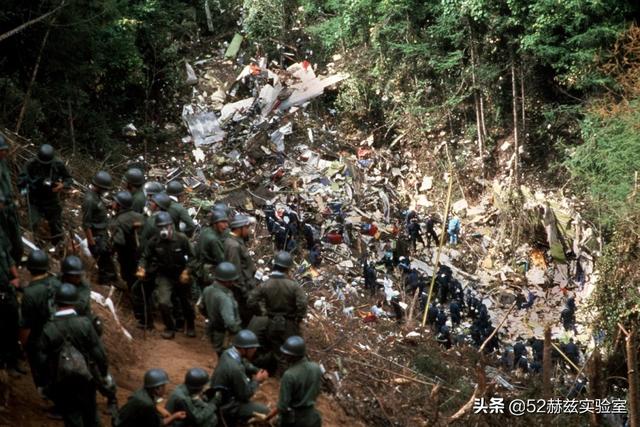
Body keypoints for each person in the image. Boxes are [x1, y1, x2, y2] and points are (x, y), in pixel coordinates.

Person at [40, 283, 111, 427]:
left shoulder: (49, 328)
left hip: (61, 381)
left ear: (56, 302)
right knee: (91, 414)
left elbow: (43, 359)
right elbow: (99, 353)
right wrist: (103, 375)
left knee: (71, 416)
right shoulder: (85, 324)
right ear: (74, 302)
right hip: (86, 378)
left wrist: (45, 384)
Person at [137, 211, 195, 339]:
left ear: (171, 226)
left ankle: (190, 324)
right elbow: (145, 257)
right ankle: (170, 327)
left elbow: (193, 257)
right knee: (163, 302)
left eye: (166, 226)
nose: (163, 229)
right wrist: (141, 268)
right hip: (164, 275)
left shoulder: (181, 239)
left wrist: (187, 271)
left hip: (181, 274)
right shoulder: (155, 242)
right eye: (160, 227)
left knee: (186, 302)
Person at [247, 251, 307, 373]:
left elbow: (251, 300)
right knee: (293, 352)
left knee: (276, 350)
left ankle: (276, 372)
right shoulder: (293, 286)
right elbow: (302, 303)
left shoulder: (266, 284)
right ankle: (289, 375)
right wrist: (297, 318)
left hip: (271, 323)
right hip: (289, 323)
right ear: (288, 268)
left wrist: (263, 312)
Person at [210, 330, 269, 425]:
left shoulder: (228, 353)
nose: (255, 350)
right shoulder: (236, 369)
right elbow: (245, 394)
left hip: (219, 396)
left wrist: (256, 370)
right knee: (264, 410)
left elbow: (244, 363)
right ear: (243, 349)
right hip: (227, 406)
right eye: (252, 348)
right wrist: (257, 380)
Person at [19, 144, 73, 247]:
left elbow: (69, 179)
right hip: (34, 200)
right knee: (32, 224)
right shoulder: (31, 164)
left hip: (51, 200)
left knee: (56, 225)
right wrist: (24, 193)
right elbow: (21, 182)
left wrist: (62, 185)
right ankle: (29, 247)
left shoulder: (58, 164)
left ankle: (58, 247)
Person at [20, 250, 59, 388]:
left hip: (41, 339)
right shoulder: (57, 283)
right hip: (61, 332)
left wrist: (23, 348)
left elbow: (26, 327)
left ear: (29, 268)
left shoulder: (29, 294)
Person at [265, 336, 322, 427]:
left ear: (293, 357)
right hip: (312, 418)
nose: (284, 356)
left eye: (286, 354)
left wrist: (268, 418)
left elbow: (283, 406)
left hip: (295, 420)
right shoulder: (316, 368)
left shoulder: (289, 375)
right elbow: (317, 390)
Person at [116, 368, 187, 427]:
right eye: (163, 386)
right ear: (157, 389)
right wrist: (175, 416)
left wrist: (159, 409)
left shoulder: (142, 391)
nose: (165, 388)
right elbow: (158, 424)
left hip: (120, 420)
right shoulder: (147, 404)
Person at [83, 171, 117, 283]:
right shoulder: (89, 200)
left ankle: (110, 278)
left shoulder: (96, 196)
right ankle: (104, 282)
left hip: (102, 233)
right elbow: (86, 224)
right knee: (103, 261)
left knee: (106, 258)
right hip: (96, 236)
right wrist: (92, 243)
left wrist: (107, 206)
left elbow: (97, 209)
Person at [201, 262, 242, 356]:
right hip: (224, 335)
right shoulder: (225, 298)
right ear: (228, 281)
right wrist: (239, 332)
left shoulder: (207, 289)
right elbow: (230, 323)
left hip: (213, 329)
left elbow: (201, 307)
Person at [224, 214, 257, 326]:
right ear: (239, 228)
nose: (248, 230)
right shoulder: (234, 245)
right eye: (246, 228)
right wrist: (245, 292)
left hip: (245, 286)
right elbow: (236, 271)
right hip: (242, 290)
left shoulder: (237, 241)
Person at [110, 190, 144, 290]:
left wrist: (111, 250)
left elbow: (119, 241)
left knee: (129, 277)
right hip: (142, 252)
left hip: (128, 254)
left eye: (114, 202)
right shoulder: (138, 216)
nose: (112, 204)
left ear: (119, 205)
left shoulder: (118, 220)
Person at [0, 220, 22, 376]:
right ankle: (5, 363)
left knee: (13, 324)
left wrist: (15, 276)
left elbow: (7, 256)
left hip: (8, 288)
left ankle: (14, 360)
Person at [0, 137, 23, 262]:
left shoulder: (3, 163)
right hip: (2, 209)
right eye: (2, 150)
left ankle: (15, 264)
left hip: (9, 207)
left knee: (16, 242)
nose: (5, 153)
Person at [196, 209, 229, 288]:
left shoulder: (205, 231)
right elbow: (221, 260)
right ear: (215, 224)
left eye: (226, 222)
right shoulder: (214, 240)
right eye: (223, 222)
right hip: (209, 272)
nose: (226, 225)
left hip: (199, 268)